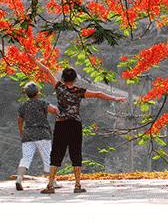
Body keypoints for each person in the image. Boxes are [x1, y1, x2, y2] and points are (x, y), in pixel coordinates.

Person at [31, 59, 126, 194]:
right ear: (75, 79)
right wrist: (115, 98)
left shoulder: (59, 88)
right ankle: (77, 185)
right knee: (76, 152)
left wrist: (34, 60)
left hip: (61, 124)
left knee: (57, 153)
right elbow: (98, 94)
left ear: (63, 78)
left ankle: (50, 185)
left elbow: (47, 71)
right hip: (75, 124)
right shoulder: (79, 91)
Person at [15, 82, 59, 191]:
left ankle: (19, 179)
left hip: (28, 134)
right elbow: (54, 111)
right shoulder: (42, 103)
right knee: (48, 158)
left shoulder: (23, 106)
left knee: (26, 158)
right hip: (42, 134)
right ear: (38, 92)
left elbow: (20, 121)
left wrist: (21, 132)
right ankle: (52, 182)